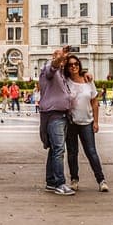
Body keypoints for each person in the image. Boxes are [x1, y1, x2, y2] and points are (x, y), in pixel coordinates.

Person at [64, 54, 109, 192]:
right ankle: (74, 180)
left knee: (91, 152)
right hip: (71, 122)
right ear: (67, 67)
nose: (73, 66)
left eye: (76, 64)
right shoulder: (65, 81)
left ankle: (101, 180)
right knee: (72, 153)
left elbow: (94, 102)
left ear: (79, 65)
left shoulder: (88, 80)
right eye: (70, 64)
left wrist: (96, 121)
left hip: (87, 122)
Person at [38, 45, 75, 195]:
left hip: (61, 115)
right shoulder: (49, 69)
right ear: (54, 56)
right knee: (59, 149)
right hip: (54, 115)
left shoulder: (60, 74)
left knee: (54, 149)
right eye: (61, 57)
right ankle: (60, 183)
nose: (64, 60)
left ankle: (51, 182)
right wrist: (60, 56)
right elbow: (53, 66)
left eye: (65, 58)